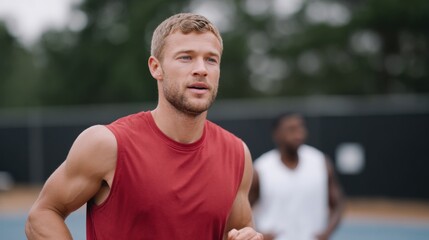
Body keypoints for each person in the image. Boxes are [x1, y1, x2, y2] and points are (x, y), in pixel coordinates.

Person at [25, 13, 263, 240]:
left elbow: (239, 231)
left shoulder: (237, 154)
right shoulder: (108, 144)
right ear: (155, 67)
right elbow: (42, 215)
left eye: (211, 59)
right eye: (186, 57)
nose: (201, 69)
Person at [249, 113, 344, 240]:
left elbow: (337, 204)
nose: (298, 133)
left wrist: (327, 232)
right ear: (276, 134)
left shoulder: (321, 162)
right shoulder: (261, 169)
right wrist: (257, 233)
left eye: (301, 128)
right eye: (291, 129)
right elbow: (243, 209)